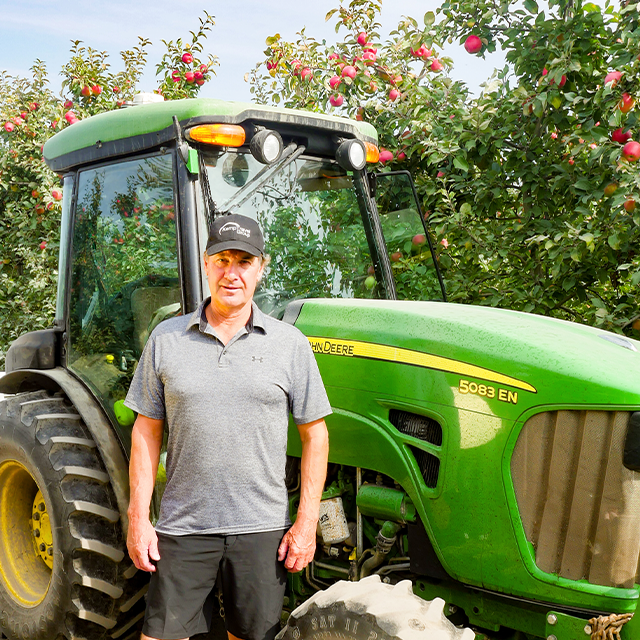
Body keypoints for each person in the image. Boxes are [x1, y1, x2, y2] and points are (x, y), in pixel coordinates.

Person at [124, 213, 331, 640]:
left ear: (261, 268)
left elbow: (316, 435)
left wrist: (307, 520)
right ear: (205, 264)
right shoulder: (167, 339)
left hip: (260, 529)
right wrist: (138, 517)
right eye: (222, 260)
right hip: (184, 526)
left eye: (243, 261)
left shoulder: (289, 344)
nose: (231, 273)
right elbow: (145, 430)